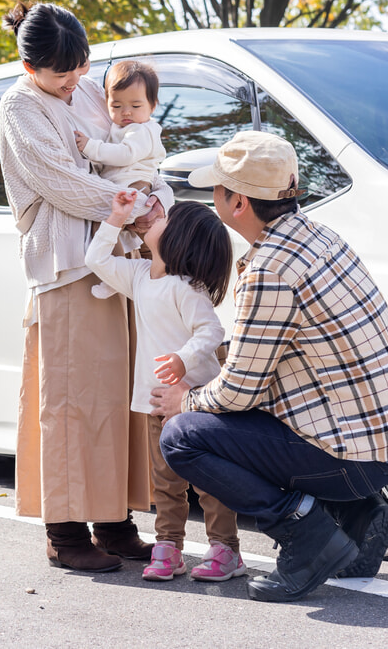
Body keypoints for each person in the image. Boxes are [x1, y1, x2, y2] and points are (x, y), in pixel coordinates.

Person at [151, 131, 388, 603]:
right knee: (238, 415)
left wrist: (184, 400)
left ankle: (308, 534)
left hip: (351, 461)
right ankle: (360, 515)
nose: (212, 196)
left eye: (218, 188)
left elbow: (238, 392)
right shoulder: (321, 237)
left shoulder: (270, 269)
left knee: (182, 436)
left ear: (237, 203)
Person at [0, 1, 173, 572]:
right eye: (59, 72)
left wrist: (147, 200)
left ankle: (114, 519)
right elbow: (61, 182)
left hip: (115, 257)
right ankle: (66, 531)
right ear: (30, 67)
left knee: (116, 396)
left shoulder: (93, 89)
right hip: (68, 264)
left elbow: (134, 146)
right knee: (72, 400)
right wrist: (135, 209)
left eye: (80, 66)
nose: (74, 80)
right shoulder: (21, 105)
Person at [85, 191, 247, 584]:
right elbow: (96, 260)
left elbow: (211, 330)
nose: (153, 216)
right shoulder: (140, 276)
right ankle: (169, 547)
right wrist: (115, 217)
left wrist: (183, 359)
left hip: (195, 401)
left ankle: (225, 549)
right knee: (166, 482)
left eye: (165, 217)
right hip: (155, 400)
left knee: (210, 481)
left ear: (179, 238)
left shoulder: (185, 287)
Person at [73, 60, 166, 194]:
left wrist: (91, 146)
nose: (126, 112)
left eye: (135, 106)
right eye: (116, 106)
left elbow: (126, 154)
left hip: (134, 184)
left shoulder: (143, 130)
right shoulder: (119, 126)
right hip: (119, 183)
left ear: (153, 106)